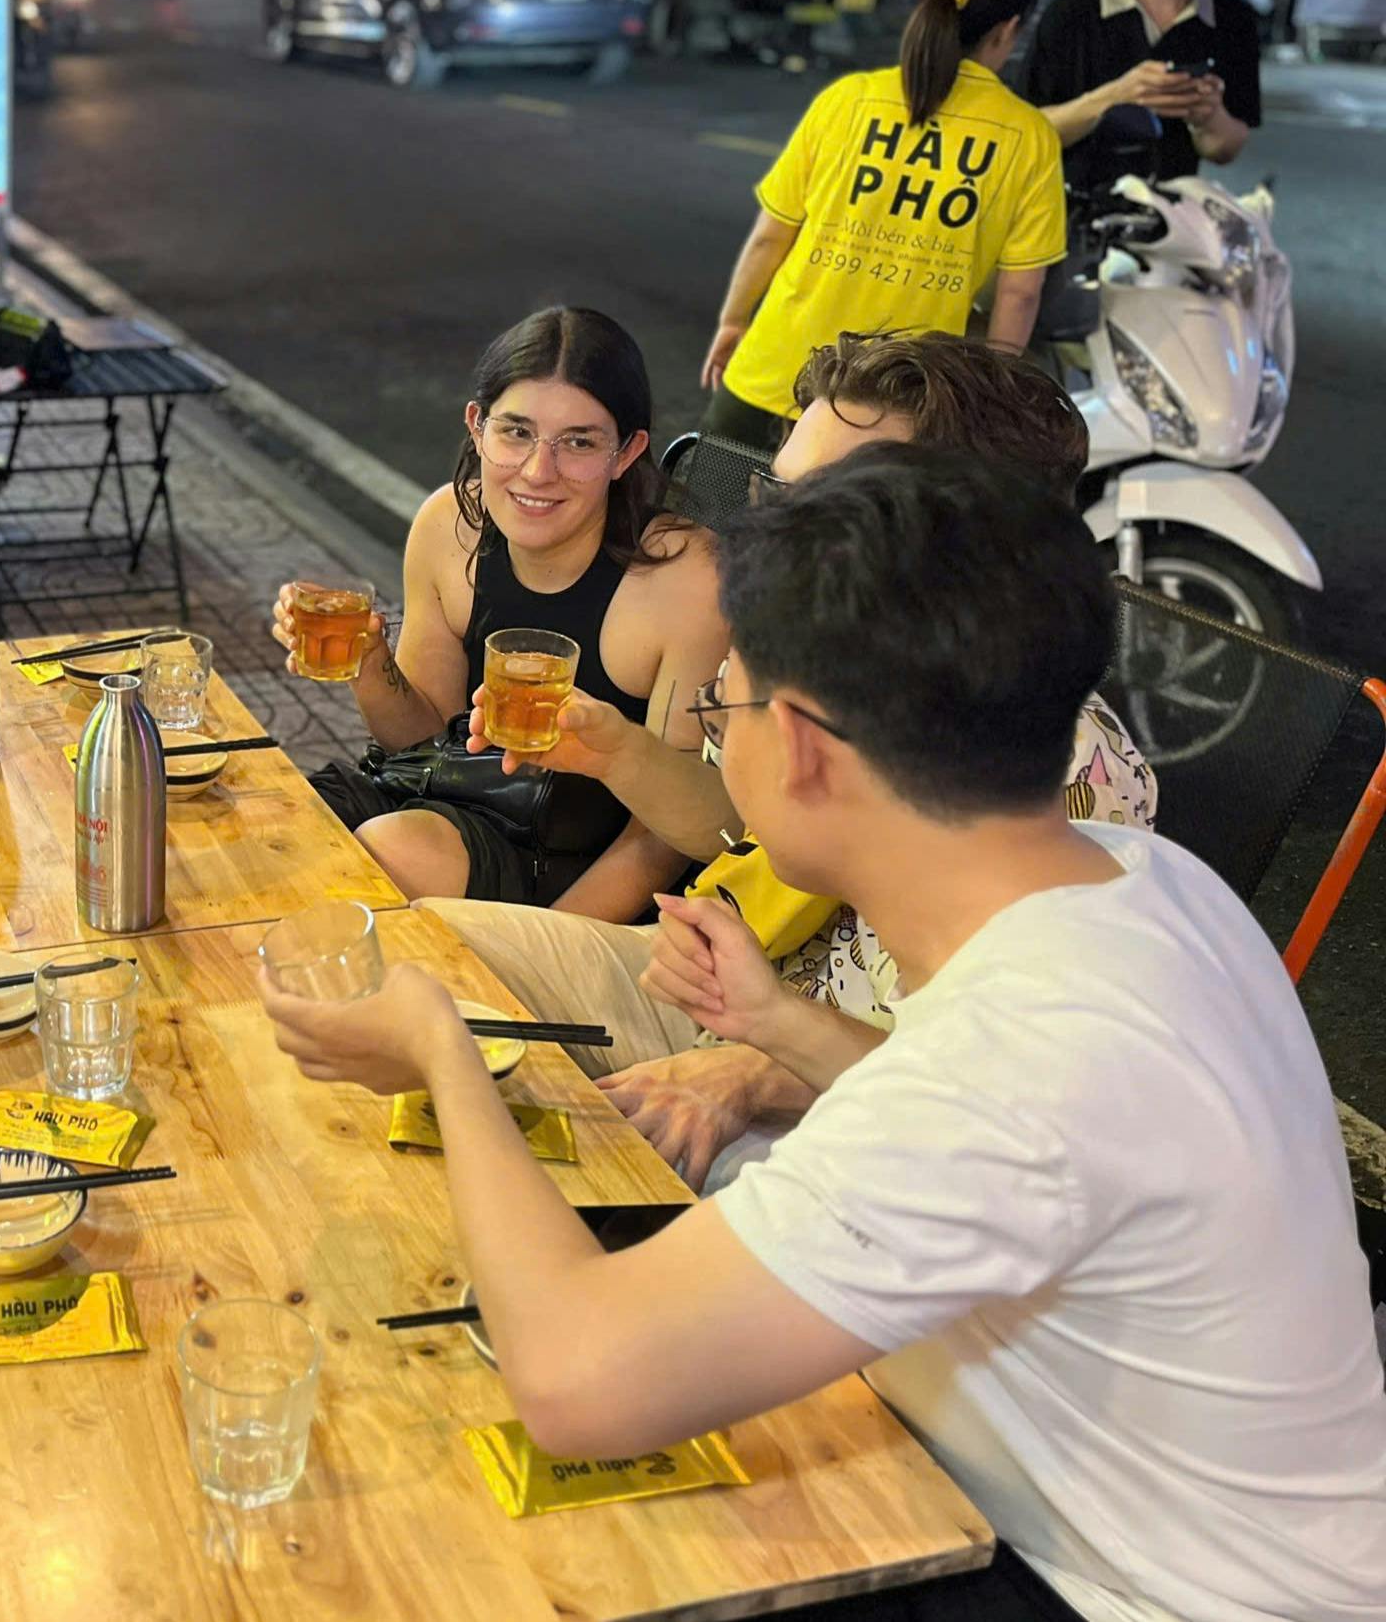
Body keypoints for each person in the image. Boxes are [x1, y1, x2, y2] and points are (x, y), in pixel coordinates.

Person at [263, 445, 1386, 1622]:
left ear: (797, 745)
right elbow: (1001, 1136)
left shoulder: (1019, 1064)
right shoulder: (1135, 876)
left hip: (1120, 1591)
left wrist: (446, 1055)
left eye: (720, 708)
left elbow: (574, 1383)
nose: (712, 737)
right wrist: (779, 1023)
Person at [428, 330, 1154, 1188]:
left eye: (825, 502)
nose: (767, 535)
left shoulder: (1046, 762)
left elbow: (999, 1103)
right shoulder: (818, 662)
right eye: (781, 492)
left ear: (964, 531)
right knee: (428, 961)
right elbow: (736, 828)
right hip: (721, 995)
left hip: (838, 1112)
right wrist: (620, 754)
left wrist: (763, 1066)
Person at [288, 307, 728, 918]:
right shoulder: (450, 525)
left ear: (626, 454)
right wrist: (368, 665)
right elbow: (418, 743)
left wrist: (548, 950)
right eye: (516, 432)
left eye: (578, 442)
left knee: (388, 855)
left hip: (573, 861)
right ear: (477, 426)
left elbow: (663, 840)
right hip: (444, 806)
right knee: (278, 831)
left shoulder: (685, 577)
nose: (537, 472)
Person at [700, 0, 1064, 452]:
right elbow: (1020, 294)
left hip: (768, 376)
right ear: (1009, 29)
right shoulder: (1028, 136)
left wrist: (735, 321)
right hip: (891, 415)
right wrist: (987, 399)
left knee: (703, 528)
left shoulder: (848, 99)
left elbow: (769, 237)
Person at [1022, 0, 1262, 194]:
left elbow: (1224, 151)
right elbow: (1028, 135)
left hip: (1172, 217)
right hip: (1071, 210)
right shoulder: (1072, 15)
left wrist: (1208, 115)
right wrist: (1116, 96)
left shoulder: (1234, 22)